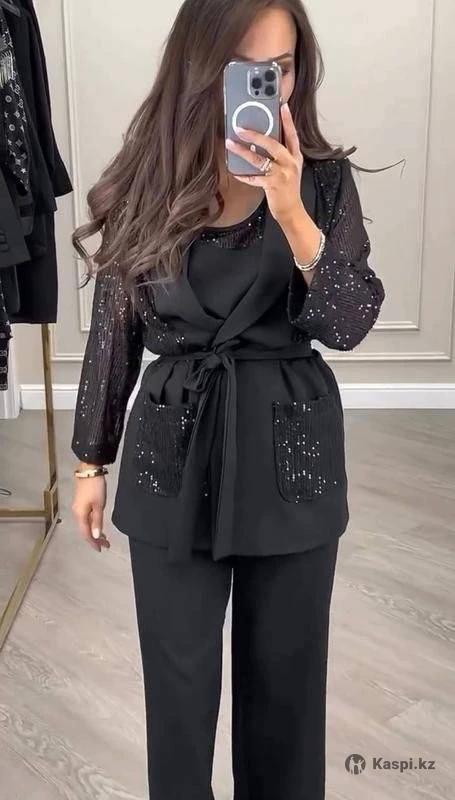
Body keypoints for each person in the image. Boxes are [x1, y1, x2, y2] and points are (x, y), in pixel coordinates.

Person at [70, 1, 387, 798]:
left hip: (291, 451)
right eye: (245, 70)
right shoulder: (148, 176)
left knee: (285, 689)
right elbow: (115, 328)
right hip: (171, 449)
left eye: (280, 69)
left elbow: (349, 323)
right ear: (199, 67)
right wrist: (89, 461)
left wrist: (293, 214)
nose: (266, 87)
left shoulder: (322, 180)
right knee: (176, 690)